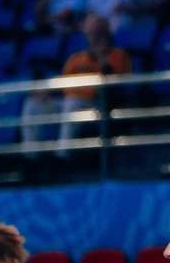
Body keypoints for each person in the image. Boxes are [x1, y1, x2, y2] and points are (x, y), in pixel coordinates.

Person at [19, 14, 131, 159]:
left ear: (105, 32)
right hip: (69, 102)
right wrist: (47, 92)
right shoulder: (76, 58)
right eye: (90, 32)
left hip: (97, 104)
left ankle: (62, 156)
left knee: (72, 103)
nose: (93, 36)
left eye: (97, 32)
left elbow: (117, 86)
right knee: (33, 104)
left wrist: (103, 59)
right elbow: (63, 83)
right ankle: (30, 157)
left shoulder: (118, 55)